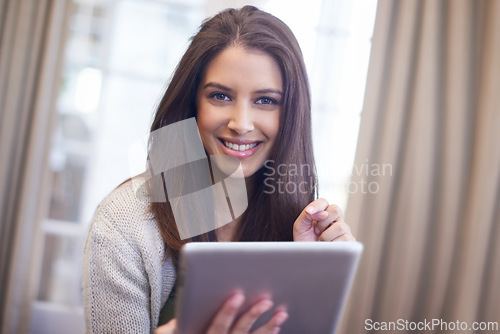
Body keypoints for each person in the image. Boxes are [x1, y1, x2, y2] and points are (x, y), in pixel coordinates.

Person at [82, 5, 355, 334]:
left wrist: (312, 276)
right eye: (220, 96)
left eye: (265, 100)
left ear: (291, 115)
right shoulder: (124, 225)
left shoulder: (302, 228)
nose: (241, 124)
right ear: (192, 104)